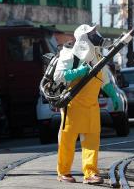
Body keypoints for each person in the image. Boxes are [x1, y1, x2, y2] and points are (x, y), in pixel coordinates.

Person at [53, 24, 120, 184]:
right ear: (84, 37)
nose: (96, 35)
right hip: (72, 105)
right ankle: (64, 172)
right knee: (67, 140)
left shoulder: (97, 57)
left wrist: (114, 95)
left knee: (92, 140)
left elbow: (104, 81)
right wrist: (77, 72)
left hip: (91, 106)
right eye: (92, 33)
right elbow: (58, 76)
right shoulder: (70, 55)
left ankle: (90, 173)